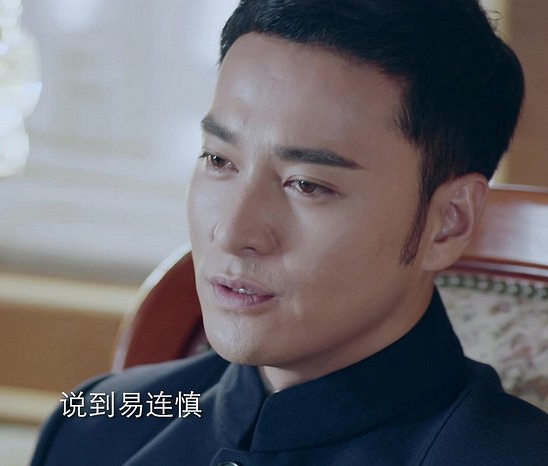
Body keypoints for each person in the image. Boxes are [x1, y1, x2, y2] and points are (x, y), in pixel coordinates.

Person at [30, 1, 548, 464]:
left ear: (448, 222)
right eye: (218, 159)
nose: (232, 232)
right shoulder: (97, 424)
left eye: (307, 184)